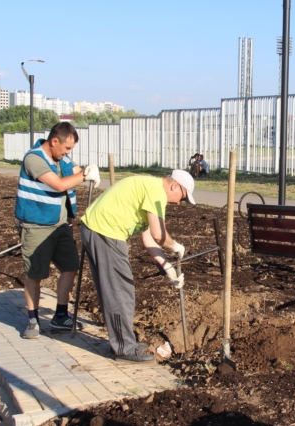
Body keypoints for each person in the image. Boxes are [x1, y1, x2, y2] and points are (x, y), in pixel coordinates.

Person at [79, 170, 194, 362]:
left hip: (97, 229)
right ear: (175, 186)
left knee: (116, 290)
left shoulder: (150, 188)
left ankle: (124, 342)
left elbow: (149, 237)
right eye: (181, 198)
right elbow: (159, 235)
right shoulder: (156, 192)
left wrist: (167, 267)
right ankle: (124, 348)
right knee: (120, 291)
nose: (177, 203)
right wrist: (175, 246)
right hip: (106, 232)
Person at [15, 122, 101, 339]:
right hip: (36, 226)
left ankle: (61, 315)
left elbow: (74, 171)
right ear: (54, 141)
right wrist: (84, 176)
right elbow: (59, 185)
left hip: (61, 226)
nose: (68, 153)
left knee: (70, 267)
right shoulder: (33, 159)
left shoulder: (60, 158)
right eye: (66, 148)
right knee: (35, 274)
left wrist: (87, 171)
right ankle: (33, 320)